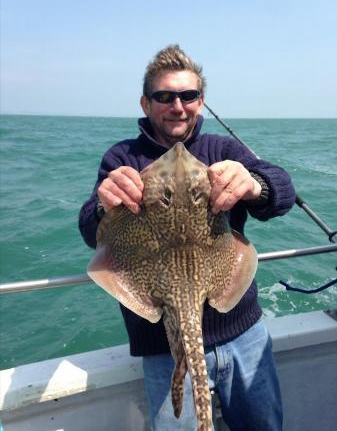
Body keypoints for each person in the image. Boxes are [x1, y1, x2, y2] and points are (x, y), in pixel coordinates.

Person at [79, 44, 296, 431]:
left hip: (243, 333)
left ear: (201, 102)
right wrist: (102, 204)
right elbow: (88, 230)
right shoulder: (122, 159)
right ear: (146, 103)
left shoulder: (223, 150)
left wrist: (255, 184)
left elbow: (282, 192)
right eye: (164, 96)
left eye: (188, 95)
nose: (177, 105)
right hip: (161, 346)